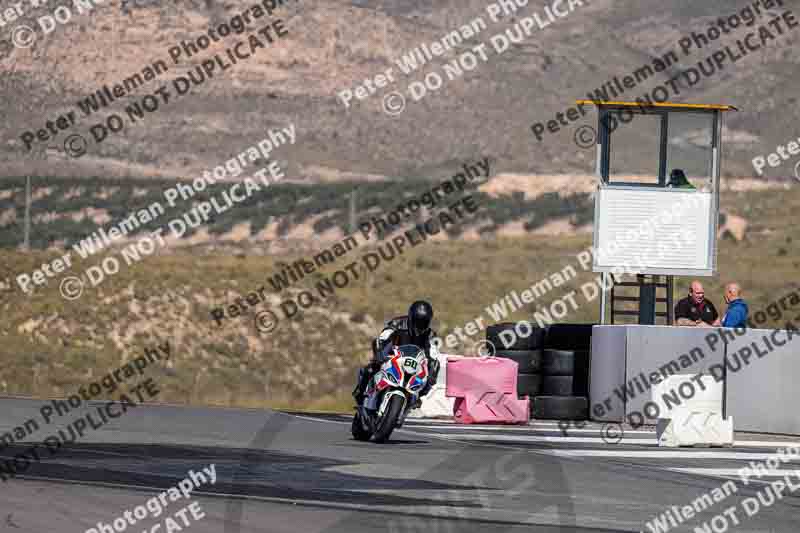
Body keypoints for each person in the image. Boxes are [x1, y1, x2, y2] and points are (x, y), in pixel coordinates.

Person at [352, 300, 441, 406]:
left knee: (432, 373)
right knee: (370, 369)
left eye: (424, 323)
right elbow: (382, 338)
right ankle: (360, 392)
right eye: (418, 322)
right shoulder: (397, 323)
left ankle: (415, 398)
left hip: (414, 364)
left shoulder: (430, 335)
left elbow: (434, 355)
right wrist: (379, 354)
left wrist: (431, 374)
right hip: (392, 356)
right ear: (411, 318)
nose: (420, 326)